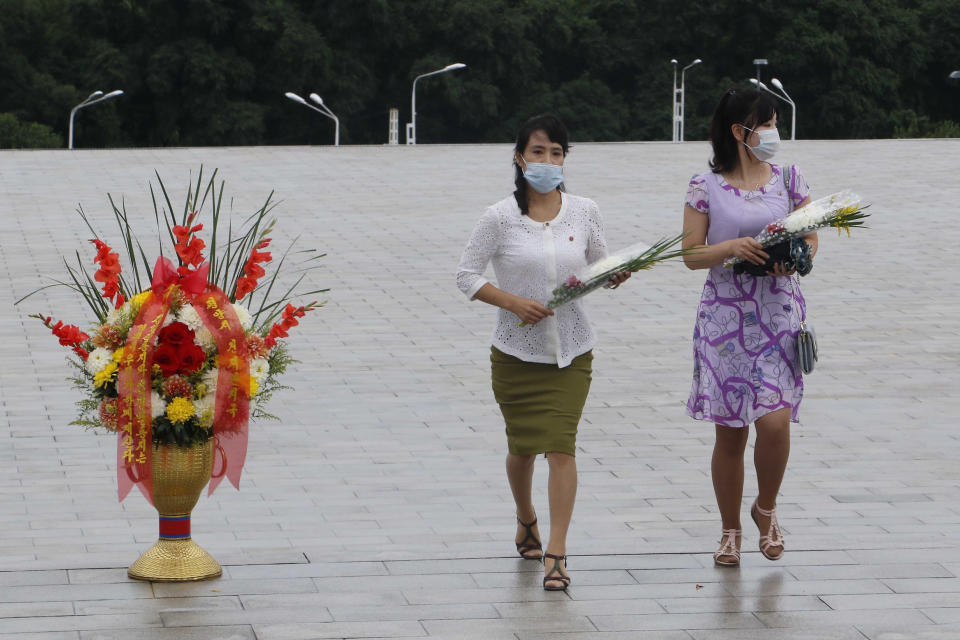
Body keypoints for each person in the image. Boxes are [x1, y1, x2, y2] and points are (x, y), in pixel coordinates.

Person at [456, 113, 629, 591]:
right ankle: (525, 516)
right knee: (522, 449)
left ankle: (557, 551)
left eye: (556, 153)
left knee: (561, 447)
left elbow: (598, 265)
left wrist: (615, 273)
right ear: (519, 157)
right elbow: (466, 276)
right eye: (538, 151)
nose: (547, 161)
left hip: (572, 353)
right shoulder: (498, 217)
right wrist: (511, 302)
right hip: (515, 354)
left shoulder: (585, 211)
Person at [680, 88, 817, 567]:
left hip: (778, 316)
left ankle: (766, 508)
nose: (772, 133)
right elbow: (691, 254)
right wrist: (733, 247)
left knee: (775, 421)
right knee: (731, 434)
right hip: (724, 321)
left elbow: (811, 237)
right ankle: (730, 529)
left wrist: (793, 259)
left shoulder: (790, 178)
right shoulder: (705, 185)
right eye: (765, 123)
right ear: (739, 131)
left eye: (775, 121)